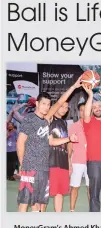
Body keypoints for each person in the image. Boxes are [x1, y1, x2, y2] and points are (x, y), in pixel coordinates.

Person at [16, 82, 80, 212]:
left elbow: (51, 141)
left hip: (44, 168)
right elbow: (20, 142)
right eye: (43, 104)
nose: (46, 107)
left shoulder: (47, 121)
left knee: (39, 203)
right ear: (37, 104)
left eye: (48, 105)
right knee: (25, 201)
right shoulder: (29, 119)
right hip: (30, 166)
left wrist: (69, 139)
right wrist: (23, 164)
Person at [46, 100, 78, 212]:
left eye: (67, 107)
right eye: (62, 106)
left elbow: (67, 143)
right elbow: (52, 141)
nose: (65, 109)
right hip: (51, 162)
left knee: (59, 192)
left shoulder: (64, 123)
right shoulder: (48, 119)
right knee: (45, 194)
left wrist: (69, 162)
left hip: (63, 162)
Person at [68, 103, 90, 211]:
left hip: (91, 162)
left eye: (85, 110)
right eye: (81, 110)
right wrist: (69, 160)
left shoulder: (94, 126)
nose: (83, 112)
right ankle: (72, 210)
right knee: (74, 187)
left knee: (91, 188)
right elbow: (70, 144)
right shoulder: (74, 126)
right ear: (79, 112)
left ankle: (93, 211)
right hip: (77, 161)